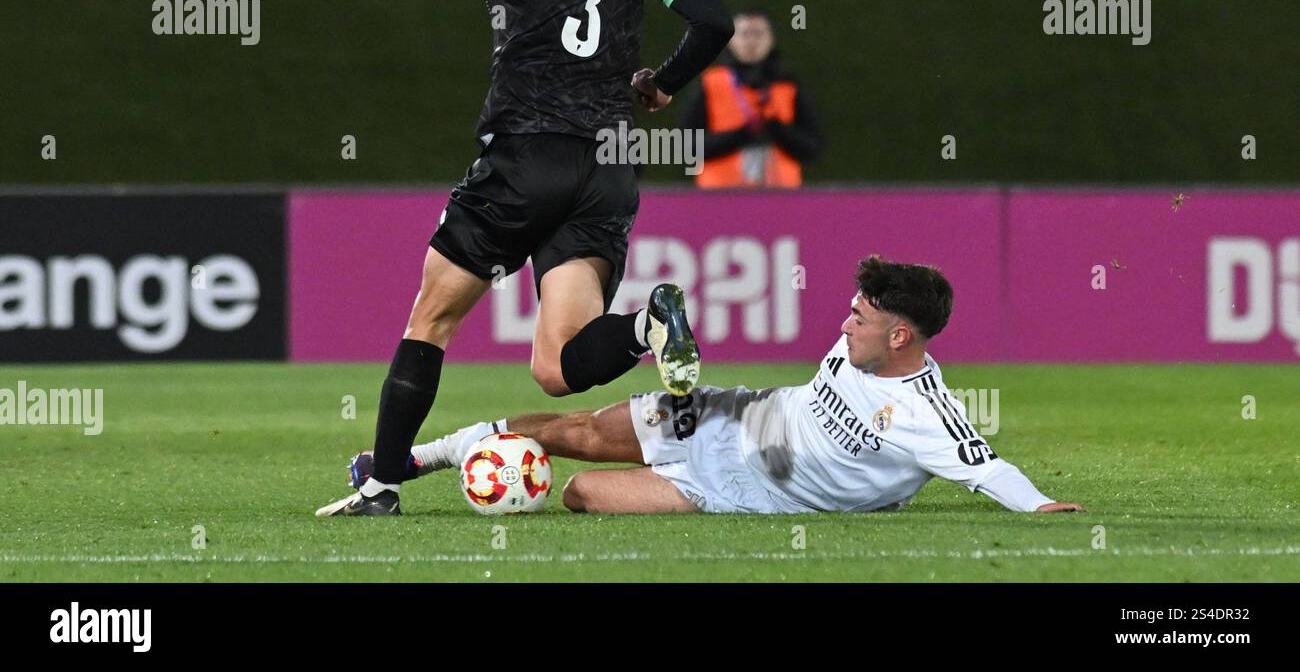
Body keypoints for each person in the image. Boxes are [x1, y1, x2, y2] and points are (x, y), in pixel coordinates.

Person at [305, 0, 734, 516]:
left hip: (525, 157)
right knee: (556, 366)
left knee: (432, 316)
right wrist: (662, 81)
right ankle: (646, 325)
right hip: (607, 167)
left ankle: (379, 484)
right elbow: (713, 19)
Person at [328, 256, 1084, 516]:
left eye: (862, 316)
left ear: (902, 337)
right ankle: (410, 460)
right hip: (733, 413)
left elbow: (985, 467)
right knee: (578, 429)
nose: (845, 322)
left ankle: (472, 466)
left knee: (579, 492)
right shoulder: (860, 348)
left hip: (745, 491)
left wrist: (1044, 505)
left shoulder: (923, 410)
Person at [679, 7, 822, 187]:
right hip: (720, 199)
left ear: (771, 39)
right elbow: (686, 147)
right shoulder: (711, 83)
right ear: (730, 40)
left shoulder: (788, 85)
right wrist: (742, 134)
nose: (751, 41)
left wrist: (776, 128)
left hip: (782, 198)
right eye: (744, 34)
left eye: (758, 34)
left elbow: (813, 147)